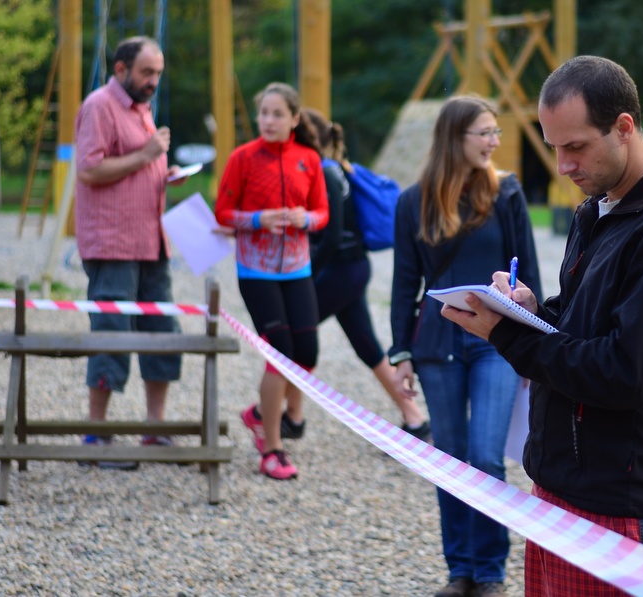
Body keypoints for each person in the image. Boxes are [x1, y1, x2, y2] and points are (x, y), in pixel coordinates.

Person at [440, 55, 643, 596]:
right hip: (560, 485)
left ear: (624, 127)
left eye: (575, 146)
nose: (563, 166)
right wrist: (528, 311)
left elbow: (626, 373)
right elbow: (581, 327)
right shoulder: (597, 207)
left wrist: (505, 334)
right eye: (553, 147)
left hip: (617, 504)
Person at [389, 95, 542, 597]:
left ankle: (490, 572)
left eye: (496, 132)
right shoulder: (413, 201)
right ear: (455, 137)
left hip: (496, 341)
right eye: (486, 132)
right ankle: (460, 572)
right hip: (436, 345)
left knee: (486, 457)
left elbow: (528, 274)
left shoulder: (507, 191)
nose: (495, 141)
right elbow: (404, 284)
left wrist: (535, 344)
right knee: (449, 462)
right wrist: (400, 352)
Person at [280, 108, 431, 442]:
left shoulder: (325, 172)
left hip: (341, 270)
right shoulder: (336, 169)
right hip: (351, 270)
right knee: (368, 347)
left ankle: (291, 416)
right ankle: (415, 420)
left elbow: (331, 237)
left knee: (292, 333)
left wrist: (305, 275)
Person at [74, 36, 190, 468]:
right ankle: (96, 437)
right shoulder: (99, 106)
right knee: (112, 334)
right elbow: (89, 170)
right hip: (113, 244)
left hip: (150, 242)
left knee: (163, 334)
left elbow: (137, 163)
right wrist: (146, 156)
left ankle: (154, 430)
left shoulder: (141, 107)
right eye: (146, 72)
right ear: (121, 69)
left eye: (158, 73)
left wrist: (164, 172)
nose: (153, 81)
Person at [214, 82, 329, 480]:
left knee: (307, 353)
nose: (268, 120)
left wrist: (304, 219)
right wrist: (258, 219)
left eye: (278, 114)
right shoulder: (242, 157)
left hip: (298, 269)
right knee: (280, 352)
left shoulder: (308, 159)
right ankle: (273, 448)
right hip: (256, 271)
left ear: (295, 119)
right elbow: (222, 212)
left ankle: (259, 414)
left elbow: (322, 213)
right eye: (264, 113)